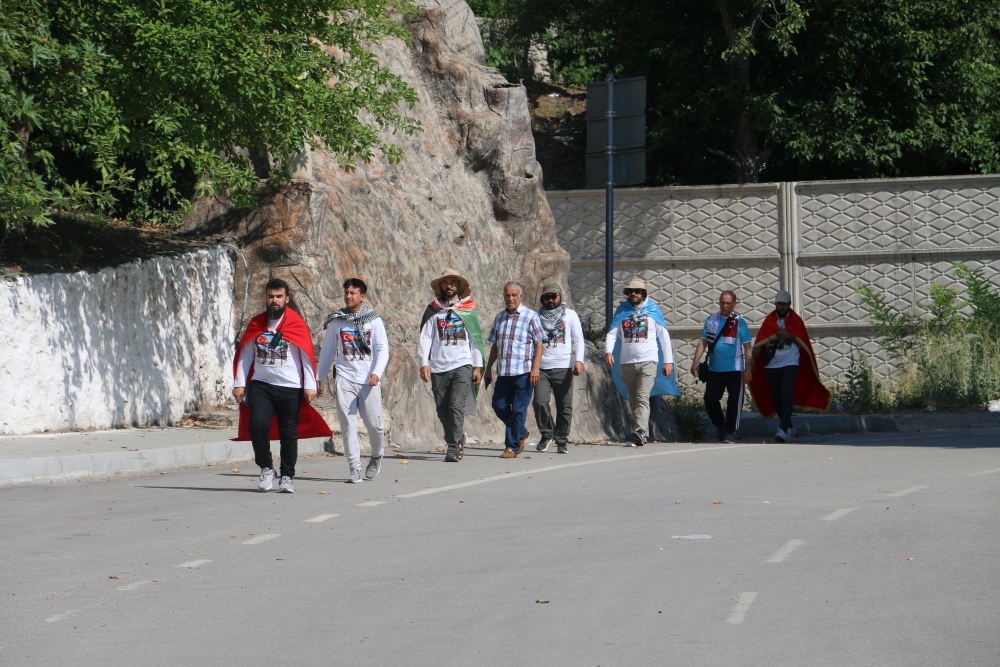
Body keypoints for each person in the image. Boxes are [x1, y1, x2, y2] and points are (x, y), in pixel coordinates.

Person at [232, 278, 331, 494]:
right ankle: (267, 468)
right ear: (266, 298)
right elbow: (246, 354)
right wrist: (239, 383)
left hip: (290, 386)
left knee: (288, 433)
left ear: (287, 298)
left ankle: (287, 475)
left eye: (279, 296)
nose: (274, 300)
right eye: (271, 296)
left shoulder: (296, 324)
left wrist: (310, 385)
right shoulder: (257, 324)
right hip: (261, 384)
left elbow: (305, 355)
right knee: (257, 425)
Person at [317, 278, 389, 483]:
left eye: (353, 293)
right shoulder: (337, 321)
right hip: (345, 377)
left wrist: (376, 372)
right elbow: (328, 351)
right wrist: (319, 377)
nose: (349, 296)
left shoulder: (374, 320)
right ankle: (354, 468)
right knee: (348, 424)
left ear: (362, 296)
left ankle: (376, 455)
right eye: (346, 292)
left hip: (368, 380)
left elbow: (382, 350)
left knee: (375, 426)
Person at [418, 269, 486, 462]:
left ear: (459, 286)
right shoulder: (433, 310)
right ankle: (456, 439)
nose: (449, 286)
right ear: (441, 286)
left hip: (462, 364)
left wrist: (477, 366)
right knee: (442, 408)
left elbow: (475, 340)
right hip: (439, 366)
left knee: (456, 405)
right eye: (445, 282)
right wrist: (424, 363)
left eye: (453, 282)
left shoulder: (468, 309)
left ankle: (453, 447)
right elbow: (426, 338)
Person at [748, 289, 831, 442]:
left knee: (787, 395)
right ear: (775, 304)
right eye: (778, 304)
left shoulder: (795, 321)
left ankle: (782, 429)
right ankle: (789, 427)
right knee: (776, 397)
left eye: (784, 304)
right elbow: (760, 342)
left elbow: (803, 341)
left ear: (789, 304)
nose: (781, 307)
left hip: (790, 362)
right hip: (771, 364)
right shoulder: (769, 320)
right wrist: (751, 359)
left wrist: (790, 336)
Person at [604, 278, 678, 446]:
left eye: (637, 291)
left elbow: (663, 335)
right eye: (630, 292)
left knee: (642, 395)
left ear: (643, 293)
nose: (633, 294)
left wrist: (668, 362)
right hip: (627, 361)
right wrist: (608, 351)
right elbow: (612, 333)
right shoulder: (622, 310)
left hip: (648, 360)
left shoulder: (652, 310)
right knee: (634, 399)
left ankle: (641, 432)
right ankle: (638, 432)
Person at [484, 281, 547, 458]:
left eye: (514, 295)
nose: (510, 298)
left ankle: (511, 446)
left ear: (520, 296)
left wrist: (535, 368)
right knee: (499, 406)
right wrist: (488, 369)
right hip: (504, 372)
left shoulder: (531, 316)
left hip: (524, 373)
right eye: (507, 295)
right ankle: (521, 432)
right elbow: (495, 345)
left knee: (519, 410)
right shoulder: (499, 318)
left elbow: (539, 343)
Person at [689, 290, 753, 443]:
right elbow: (703, 341)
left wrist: (748, 369)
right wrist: (695, 362)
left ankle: (730, 432)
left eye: (728, 303)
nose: (724, 306)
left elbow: (747, 347)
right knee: (710, 399)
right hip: (714, 369)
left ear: (734, 304)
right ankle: (720, 424)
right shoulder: (711, 320)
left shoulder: (739, 321)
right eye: (722, 302)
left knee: (734, 402)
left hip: (735, 370)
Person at [533, 283, 585, 454]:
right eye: (547, 297)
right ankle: (547, 433)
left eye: (553, 296)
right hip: (542, 367)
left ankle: (562, 439)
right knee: (539, 402)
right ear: (542, 299)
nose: (550, 300)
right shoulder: (536, 317)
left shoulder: (569, 315)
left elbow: (579, 339)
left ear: (560, 297)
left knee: (564, 406)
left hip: (564, 367)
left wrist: (579, 360)